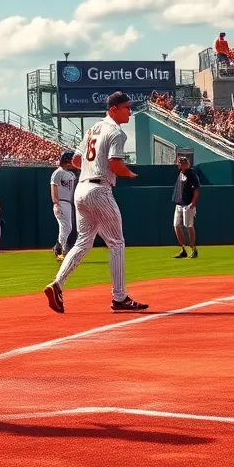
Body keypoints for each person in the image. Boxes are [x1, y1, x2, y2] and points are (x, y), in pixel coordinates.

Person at [44, 92, 148, 314]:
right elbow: (115, 163)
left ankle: (57, 284)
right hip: (99, 190)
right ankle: (119, 298)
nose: (130, 110)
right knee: (117, 243)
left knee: (83, 242)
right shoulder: (116, 132)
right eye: (126, 107)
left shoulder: (93, 128)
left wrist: (92, 172)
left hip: (81, 189)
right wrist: (129, 174)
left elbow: (75, 160)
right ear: (114, 109)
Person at [49, 151, 76, 261]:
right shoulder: (58, 172)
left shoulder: (72, 174)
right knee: (67, 227)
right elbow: (53, 187)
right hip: (61, 202)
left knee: (66, 227)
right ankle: (60, 249)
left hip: (68, 203)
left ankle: (61, 249)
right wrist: (55, 202)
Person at [172, 155, 200, 259]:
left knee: (189, 226)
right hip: (179, 203)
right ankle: (184, 249)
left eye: (182, 163)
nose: (179, 164)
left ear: (186, 164)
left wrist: (193, 202)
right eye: (180, 162)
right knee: (176, 225)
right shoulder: (181, 173)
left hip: (188, 204)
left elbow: (196, 189)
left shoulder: (191, 174)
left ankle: (193, 249)